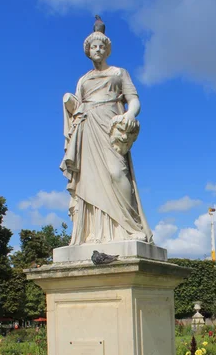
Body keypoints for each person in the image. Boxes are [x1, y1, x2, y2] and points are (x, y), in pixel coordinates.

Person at [60, 20, 152, 245]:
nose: (98, 50)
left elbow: (134, 100)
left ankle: (131, 226)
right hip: (87, 128)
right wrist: (69, 103)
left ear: (107, 49)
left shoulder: (119, 73)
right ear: (88, 51)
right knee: (88, 180)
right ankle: (94, 232)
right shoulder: (83, 80)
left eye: (101, 46)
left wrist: (130, 115)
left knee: (117, 173)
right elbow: (78, 105)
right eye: (94, 47)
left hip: (110, 126)